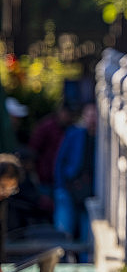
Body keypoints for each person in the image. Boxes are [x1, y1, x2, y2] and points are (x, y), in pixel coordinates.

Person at [53, 103, 97, 246]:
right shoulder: (74, 134)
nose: (92, 119)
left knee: (88, 236)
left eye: (94, 115)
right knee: (64, 230)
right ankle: (62, 261)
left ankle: (84, 262)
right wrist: (60, 186)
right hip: (68, 187)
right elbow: (60, 160)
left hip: (90, 192)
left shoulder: (102, 137)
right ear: (83, 117)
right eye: (89, 115)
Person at [28, 105, 72, 199]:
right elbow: (34, 149)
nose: (68, 117)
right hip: (45, 176)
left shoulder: (69, 129)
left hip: (60, 178)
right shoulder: (47, 127)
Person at [0, 154, 23, 272]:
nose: (6, 193)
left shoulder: (2, 200)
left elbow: (0, 231)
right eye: (2, 186)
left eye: (11, 189)